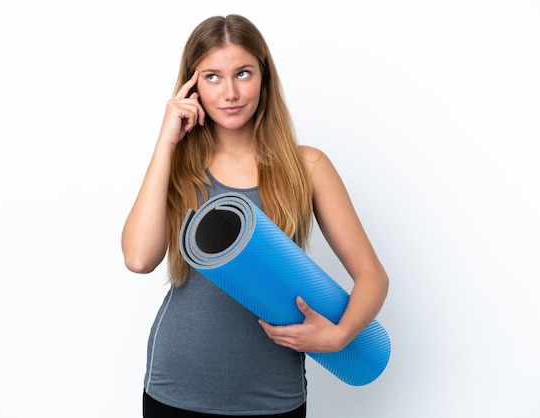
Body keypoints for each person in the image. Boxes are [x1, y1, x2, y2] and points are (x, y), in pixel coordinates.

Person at [121, 14, 389, 418]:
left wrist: (340, 335)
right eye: (212, 77)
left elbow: (372, 276)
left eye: (243, 73)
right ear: (191, 86)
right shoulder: (176, 167)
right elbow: (139, 259)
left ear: (263, 76)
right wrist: (166, 141)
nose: (230, 92)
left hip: (272, 396)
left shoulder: (308, 166)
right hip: (175, 389)